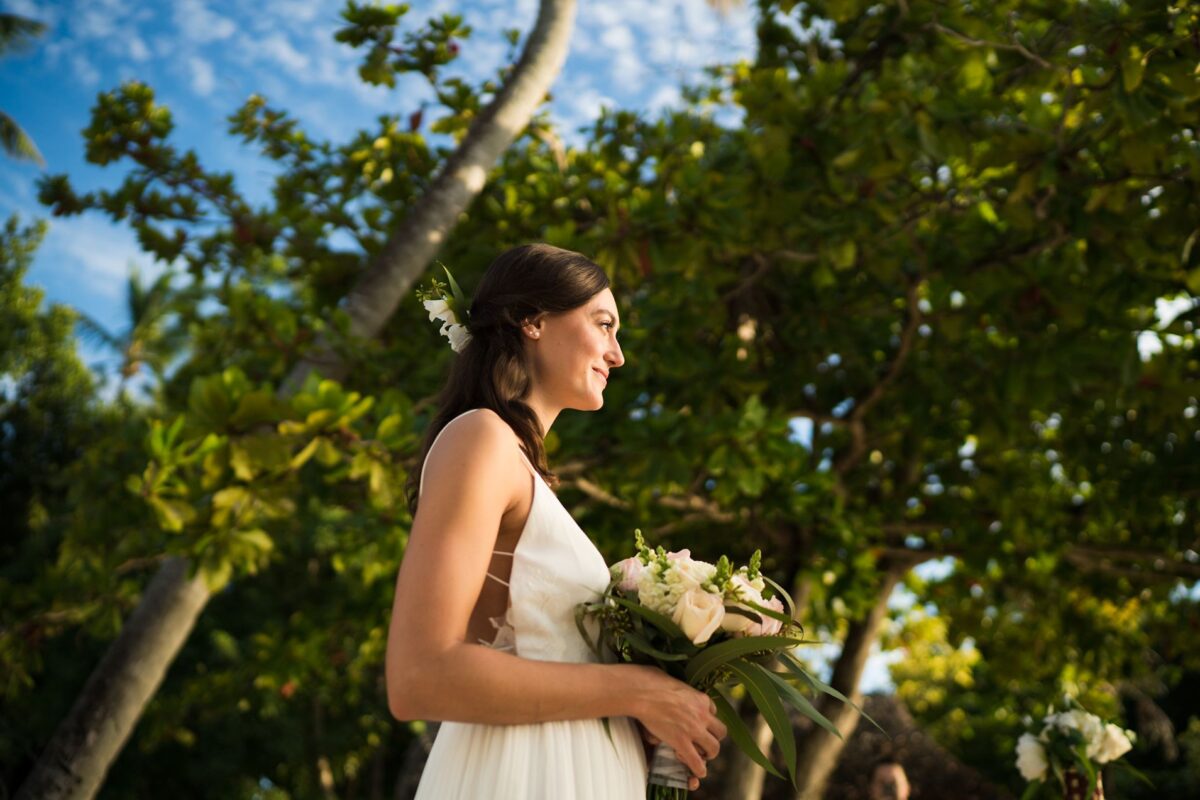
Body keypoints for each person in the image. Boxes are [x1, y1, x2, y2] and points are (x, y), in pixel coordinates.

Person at [385, 244, 727, 798]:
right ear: (534, 321)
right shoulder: (481, 439)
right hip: (520, 776)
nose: (617, 354)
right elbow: (419, 676)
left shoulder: (524, 470)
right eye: (604, 324)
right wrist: (635, 690)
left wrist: (642, 720)